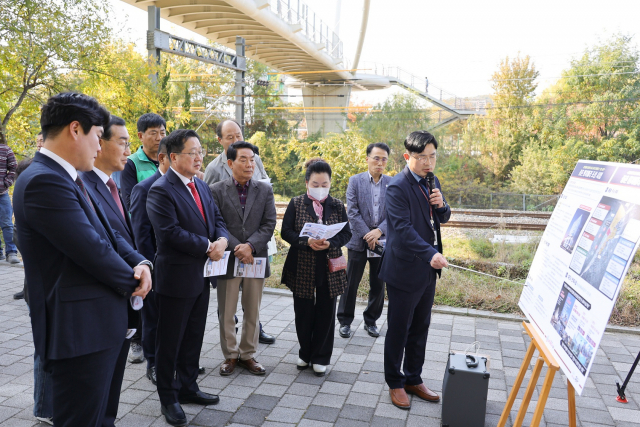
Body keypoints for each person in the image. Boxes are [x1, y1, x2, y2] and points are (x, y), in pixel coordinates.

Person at [13, 92, 152, 426]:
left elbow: (110, 234)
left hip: (96, 325)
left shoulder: (68, 175)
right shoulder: (43, 180)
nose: (98, 145)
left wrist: (142, 263)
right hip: (78, 333)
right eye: (98, 136)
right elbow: (92, 249)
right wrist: (135, 282)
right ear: (76, 129)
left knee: (101, 416)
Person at [147, 129, 228, 426]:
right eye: (192, 152)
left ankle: (188, 387)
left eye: (200, 151)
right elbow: (169, 234)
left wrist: (222, 240)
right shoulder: (161, 189)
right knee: (170, 341)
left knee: (194, 335)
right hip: (176, 278)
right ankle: (168, 398)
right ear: (173, 157)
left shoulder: (201, 185)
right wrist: (208, 246)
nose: (198, 157)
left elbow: (216, 219)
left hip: (202, 276)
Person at [78, 114, 143, 425]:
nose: (128, 150)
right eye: (122, 142)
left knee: (110, 397)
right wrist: (135, 276)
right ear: (99, 142)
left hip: (119, 303)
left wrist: (142, 263)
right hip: (98, 308)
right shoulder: (83, 184)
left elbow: (120, 236)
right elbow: (99, 246)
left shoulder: (109, 184)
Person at [378, 130, 450, 410]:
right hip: (404, 268)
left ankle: (413, 377)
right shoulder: (397, 186)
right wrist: (431, 253)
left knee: (421, 326)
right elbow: (403, 230)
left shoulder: (433, 181)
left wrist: (442, 205)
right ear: (408, 156)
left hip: (426, 270)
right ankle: (395, 383)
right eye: (422, 158)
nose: (428, 163)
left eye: (432, 156)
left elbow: (442, 217)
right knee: (399, 328)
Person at [203, 118, 275, 345]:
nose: (249, 164)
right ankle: (230, 355)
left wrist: (251, 246)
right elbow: (215, 219)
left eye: (251, 160)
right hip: (229, 255)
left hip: (256, 255)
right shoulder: (214, 176)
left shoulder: (263, 187)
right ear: (230, 163)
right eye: (243, 160)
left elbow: (269, 222)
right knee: (226, 311)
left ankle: (248, 353)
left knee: (253, 310)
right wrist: (237, 247)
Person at [280, 158, 351, 376]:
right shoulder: (296, 203)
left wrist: (332, 242)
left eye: (324, 185)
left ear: (330, 184)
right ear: (307, 183)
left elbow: (346, 233)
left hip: (328, 266)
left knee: (326, 311)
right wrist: (306, 241)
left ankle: (321, 356)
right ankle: (305, 352)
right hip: (302, 264)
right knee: (303, 311)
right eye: (315, 185)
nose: (320, 189)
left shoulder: (338, 205)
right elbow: (286, 232)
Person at [120, 112, 165, 363]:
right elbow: (129, 201)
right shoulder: (132, 163)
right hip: (139, 234)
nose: (159, 137)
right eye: (153, 133)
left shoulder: (166, 158)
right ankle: (137, 341)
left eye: (162, 132)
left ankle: (157, 345)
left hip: (163, 238)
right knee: (141, 289)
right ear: (140, 136)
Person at [337, 142, 392, 339]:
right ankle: (344, 321)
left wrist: (378, 232)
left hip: (382, 242)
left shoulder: (391, 183)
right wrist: (367, 235)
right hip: (358, 241)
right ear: (367, 158)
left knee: (378, 284)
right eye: (376, 158)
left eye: (384, 159)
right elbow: (352, 211)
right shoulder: (355, 181)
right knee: (350, 282)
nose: (380, 162)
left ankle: (371, 321)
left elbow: (394, 213)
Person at [129, 136, 170, 386]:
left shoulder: (192, 186)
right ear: (168, 158)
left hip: (180, 269)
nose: (197, 159)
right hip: (155, 267)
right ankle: (153, 363)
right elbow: (140, 234)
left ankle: (175, 361)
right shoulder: (144, 188)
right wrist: (150, 266)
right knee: (153, 319)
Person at [0, 138, 18, 264]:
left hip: (2, 194)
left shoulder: (5, 149)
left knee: (7, 224)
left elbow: (14, 169)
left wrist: (5, 183)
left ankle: (11, 252)